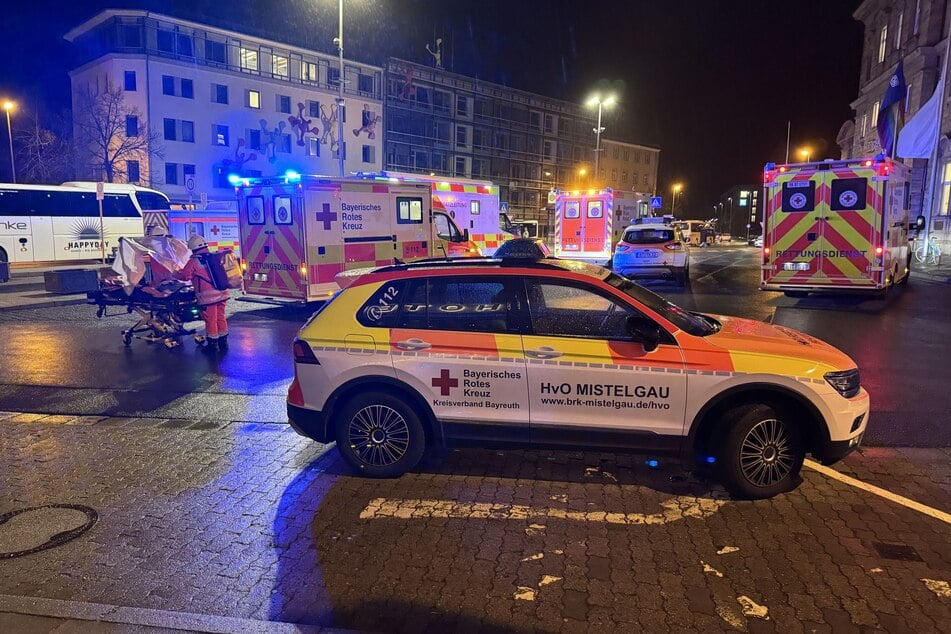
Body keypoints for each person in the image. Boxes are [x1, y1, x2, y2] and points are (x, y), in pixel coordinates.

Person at [177, 235, 230, 351]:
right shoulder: (214, 257)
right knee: (221, 317)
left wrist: (176, 273)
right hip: (223, 293)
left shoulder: (194, 262)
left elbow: (185, 276)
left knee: (211, 320)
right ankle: (223, 342)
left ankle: (212, 346)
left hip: (209, 298)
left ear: (192, 248)